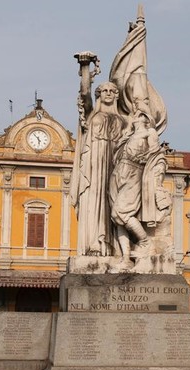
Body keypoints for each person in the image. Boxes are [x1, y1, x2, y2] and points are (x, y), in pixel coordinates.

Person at [69, 52, 128, 256]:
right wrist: (85, 67)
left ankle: (116, 248)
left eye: (113, 91)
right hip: (94, 167)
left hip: (116, 166)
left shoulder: (124, 121)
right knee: (95, 203)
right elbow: (84, 94)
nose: (109, 93)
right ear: (99, 95)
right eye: (104, 91)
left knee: (116, 205)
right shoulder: (92, 115)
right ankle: (95, 243)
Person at [108, 111, 165, 267]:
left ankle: (145, 242)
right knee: (117, 220)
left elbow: (156, 155)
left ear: (145, 118)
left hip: (134, 173)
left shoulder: (150, 132)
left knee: (120, 212)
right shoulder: (128, 136)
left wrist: (157, 180)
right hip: (119, 172)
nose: (134, 116)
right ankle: (126, 258)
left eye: (138, 114)